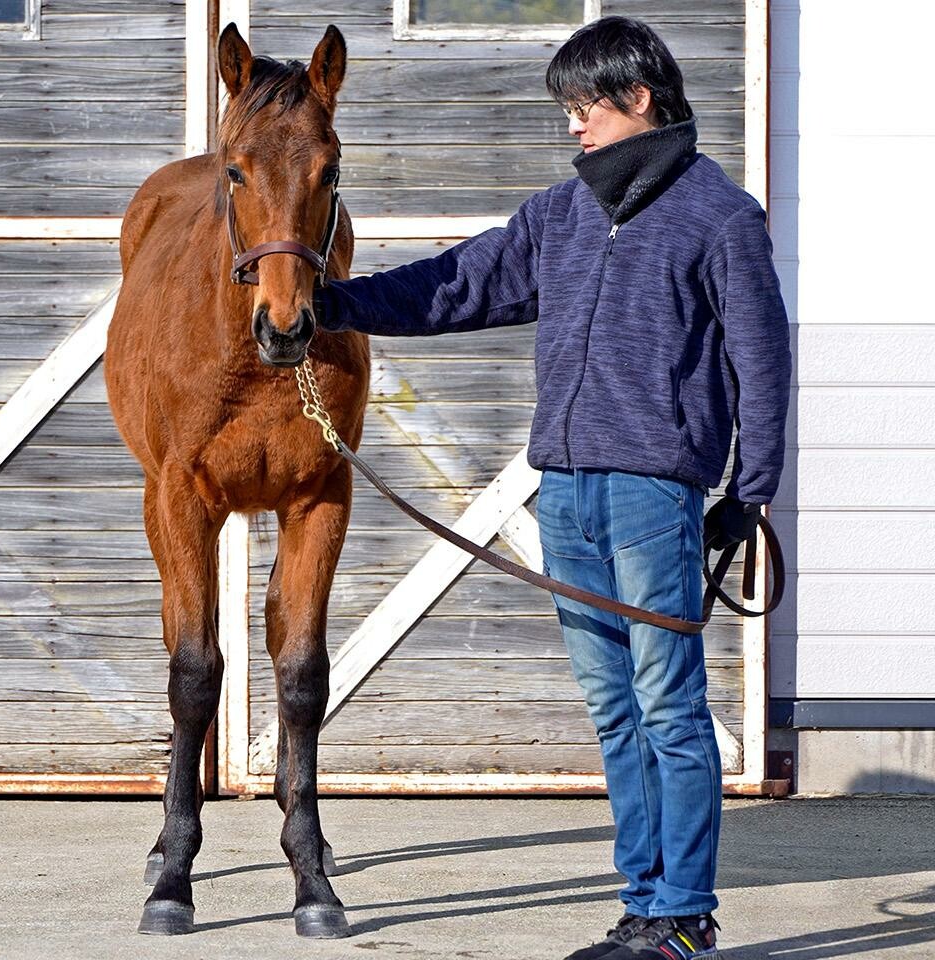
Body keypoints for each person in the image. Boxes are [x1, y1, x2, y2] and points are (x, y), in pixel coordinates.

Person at [311, 16, 790, 960]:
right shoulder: (559, 216)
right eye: (567, 110)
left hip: (655, 493)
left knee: (667, 703)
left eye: (584, 108)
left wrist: (751, 491)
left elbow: (762, 363)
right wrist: (335, 303)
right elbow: (455, 285)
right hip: (564, 491)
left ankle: (685, 918)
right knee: (613, 707)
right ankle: (642, 905)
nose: (572, 127)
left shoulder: (721, 217)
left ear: (638, 99)